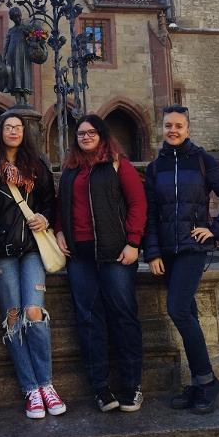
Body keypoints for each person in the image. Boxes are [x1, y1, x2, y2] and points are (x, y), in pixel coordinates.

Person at [144, 104, 219, 414]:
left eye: (178, 126)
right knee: (187, 312)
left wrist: (215, 230)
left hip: (191, 249)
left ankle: (207, 380)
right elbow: (151, 215)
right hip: (167, 252)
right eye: (168, 125)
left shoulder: (202, 160)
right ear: (162, 129)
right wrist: (152, 252)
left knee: (177, 309)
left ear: (188, 129)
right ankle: (201, 382)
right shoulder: (156, 167)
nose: (173, 130)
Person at [55, 114, 147, 413]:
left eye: (91, 132)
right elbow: (61, 206)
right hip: (80, 256)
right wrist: (59, 231)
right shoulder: (70, 169)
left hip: (115, 253)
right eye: (81, 133)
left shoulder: (118, 164)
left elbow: (137, 204)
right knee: (88, 320)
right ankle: (100, 388)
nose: (86, 136)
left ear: (103, 135)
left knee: (123, 316)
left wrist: (133, 242)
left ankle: (132, 385)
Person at [0, 113, 66, 419]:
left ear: (24, 132)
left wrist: (45, 217)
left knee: (34, 312)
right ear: (1, 132)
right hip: (1, 251)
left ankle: (46, 384)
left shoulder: (36, 165)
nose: (13, 131)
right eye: (8, 127)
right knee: (13, 316)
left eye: (18, 127)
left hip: (32, 248)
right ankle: (30, 388)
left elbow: (49, 201)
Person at [3, 6, 33, 105]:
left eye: (17, 17)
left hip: (23, 55)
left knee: (24, 75)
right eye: (14, 18)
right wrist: (3, 56)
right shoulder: (11, 30)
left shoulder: (26, 28)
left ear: (20, 16)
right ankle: (18, 102)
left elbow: (33, 40)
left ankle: (26, 102)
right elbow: (6, 44)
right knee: (14, 76)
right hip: (11, 55)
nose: (17, 19)